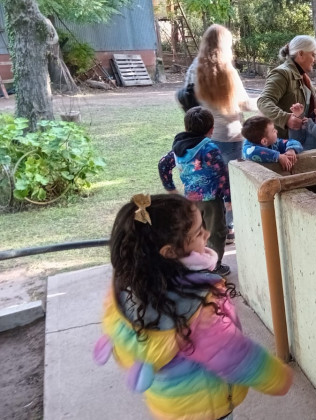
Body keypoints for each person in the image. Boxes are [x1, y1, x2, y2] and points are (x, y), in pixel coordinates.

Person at [93, 193, 294, 420]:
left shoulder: (127, 285)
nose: (207, 234)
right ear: (170, 252)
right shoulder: (198, 307)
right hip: (206, 407)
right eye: (199, 233)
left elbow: (116, 332)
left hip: (168, 404)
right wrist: (276, 377)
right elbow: (232, 354)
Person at [192, 23, 251, 245]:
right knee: (232, 185)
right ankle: (229, 228)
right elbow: (244, 103)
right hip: (231, 136)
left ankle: (212, 227)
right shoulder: (228, 72)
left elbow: (190, 102)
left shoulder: (194, 70)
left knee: (213, 184)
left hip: (206, 136)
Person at [158, 106, 231, 276]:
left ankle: (196, 263)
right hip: (211, 200)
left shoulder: (178, 148)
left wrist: (170, 188)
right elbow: (222, 173)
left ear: (186, 128)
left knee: (195, 232)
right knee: (216, 232)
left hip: (190, 200)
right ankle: (215, 266)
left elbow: (163, 164)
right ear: (211, 130)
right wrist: (228, 198)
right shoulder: (209, 148)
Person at [257, 35, 316, 140]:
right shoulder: (282, 73)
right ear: (300, 54)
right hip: (283, 144)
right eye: (313, 55)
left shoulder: (302, 77)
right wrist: (286, 119)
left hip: (299, 140)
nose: (315, 60)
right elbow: (263, 101)